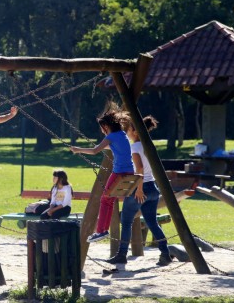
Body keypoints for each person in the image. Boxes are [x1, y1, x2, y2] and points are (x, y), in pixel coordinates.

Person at [106, 116, 172, 266]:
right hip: (153, 188)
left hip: (140, 188)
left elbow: (140, 169)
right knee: (152, 223)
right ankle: (165, 253)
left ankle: (122, 255)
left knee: (126, 221)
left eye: (128, 129)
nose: (126, 132)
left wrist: (139, 189)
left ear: (135, 131)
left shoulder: (135, 147)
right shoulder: (147, 145)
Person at [69, 106, 134, 243]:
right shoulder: (122, 134)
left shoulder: (110, 136)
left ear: (105, 126)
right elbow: (113, 147)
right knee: (109, 200)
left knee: (105, 199)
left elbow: (94, 151)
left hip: (119, 172)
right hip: (130, 171)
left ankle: (101, 231)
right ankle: (102, 230)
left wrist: (77, 149)